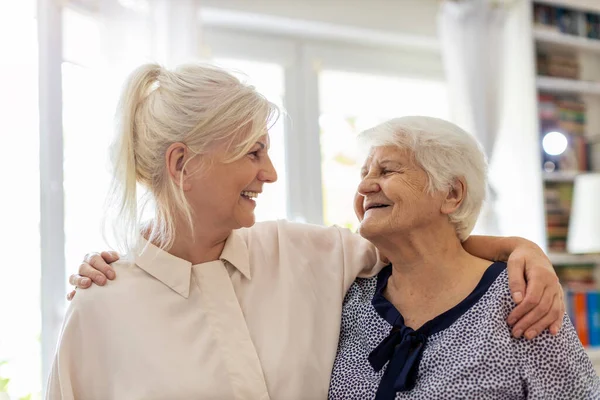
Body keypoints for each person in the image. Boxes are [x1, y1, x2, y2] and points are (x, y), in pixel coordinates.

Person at [50, 62, 563, 400]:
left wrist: (523, 249)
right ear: (183, 163)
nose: (269, 173)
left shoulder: (306, 252)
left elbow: (424, 241)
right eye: (253, 152)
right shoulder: (100, 304)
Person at [328, 116, 599, 400]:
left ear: (452, 194)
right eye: (364, 174)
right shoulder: (349, 294)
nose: (364, 186)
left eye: (387, 171)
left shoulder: (520, 295)